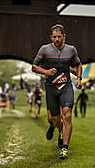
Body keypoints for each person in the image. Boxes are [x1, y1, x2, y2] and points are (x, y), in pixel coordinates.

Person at [32, 24, 82, 159]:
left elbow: (77, 64)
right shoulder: (45, 49)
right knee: (54, 119)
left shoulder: (71, 50)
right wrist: (46, 72)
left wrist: (78, 78)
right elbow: (34, 67)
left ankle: (65, 148)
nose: (57, 39)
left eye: (59, 36)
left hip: (66, 87)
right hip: (51, 87)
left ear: (64, 37)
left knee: (66, 114)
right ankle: (59, 130)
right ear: (51, 37)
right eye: (54, 37)